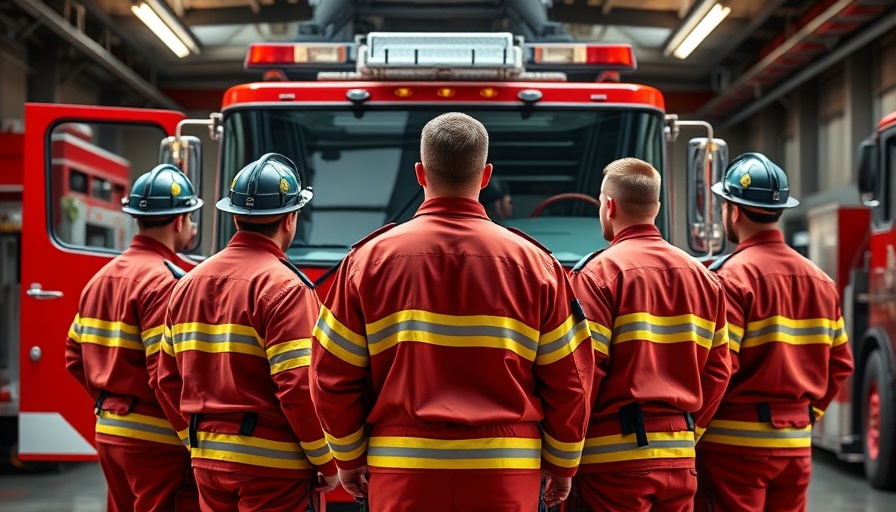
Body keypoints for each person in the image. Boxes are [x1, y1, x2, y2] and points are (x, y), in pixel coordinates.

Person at [310, 112, 594, 512]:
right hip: (506, 474)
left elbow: (330, 376)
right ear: (485, 175)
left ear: (420, 174)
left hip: (402, 471)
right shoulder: (537, 265)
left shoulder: (368, 260)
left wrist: (349, 458)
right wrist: (563, 466)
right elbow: (570, 381)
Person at [155, 153, 337, 512]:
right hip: (274, 470)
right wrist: (326, 462)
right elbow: (298, 388)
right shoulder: (287, 288)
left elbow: (165, 380)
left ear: (235, 216)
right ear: (290, 219)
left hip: (208, 463)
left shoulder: (187, 284)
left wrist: (197, 444)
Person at [568, 157, 732, 511]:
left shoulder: (598, 274)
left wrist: (563, 453)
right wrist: (689, 432)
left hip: (613, 464)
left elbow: (583, 375)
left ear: (609, 206)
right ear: (656, 207)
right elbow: (719, 371)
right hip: (679, 458)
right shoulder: (704, 278)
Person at [695, 153, 854, 511]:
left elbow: (720, 366)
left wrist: (694, 430)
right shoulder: (821, 281)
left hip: (733, 449)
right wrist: (803, 418)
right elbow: (841, 364)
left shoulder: (730, 278)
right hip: (795, 446)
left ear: (733, 211)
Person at [65, 164, 203, 512]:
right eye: (191, 217)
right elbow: (164, 375)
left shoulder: (101, 277)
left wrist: (113, 402)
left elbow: (73, 356)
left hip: (109, 432)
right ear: (179, 221)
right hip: (155, 441)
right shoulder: (166, 282)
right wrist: (194, 438)